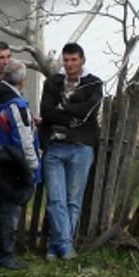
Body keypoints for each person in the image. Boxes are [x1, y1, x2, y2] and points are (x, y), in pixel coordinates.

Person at [40, 42, 103, 261]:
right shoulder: (53, 83)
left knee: (72, 201)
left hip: (81, 146)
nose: (69, 64)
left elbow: (87, 113)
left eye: (74, 60)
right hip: (55, 146)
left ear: (82, 60)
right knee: (56, 199)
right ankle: (65, 247)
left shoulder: (93, 84)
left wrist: (63, 107)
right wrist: (70, 115)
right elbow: (46, 113)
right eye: (66, 60)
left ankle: (54, 247)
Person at [0, 58, 41, 270]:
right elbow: (23, 139)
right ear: (22, 82)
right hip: (12, 164)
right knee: (8, 211)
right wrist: (32, 166)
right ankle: (4, 255)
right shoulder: (16, 104)